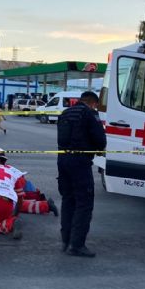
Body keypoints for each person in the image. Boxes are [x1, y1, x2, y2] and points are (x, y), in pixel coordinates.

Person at [56, 91, 107, 257]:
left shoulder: (65, 113)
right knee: (84, 203)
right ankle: (77, 245)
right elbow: (100, 139)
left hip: (63, 160)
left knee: (68, 200)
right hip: (79, 162)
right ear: (93, 103)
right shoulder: (89, 114)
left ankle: (65, 240)